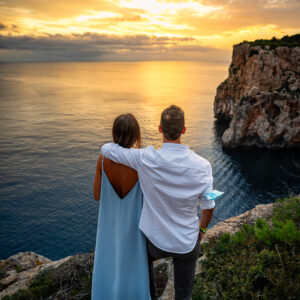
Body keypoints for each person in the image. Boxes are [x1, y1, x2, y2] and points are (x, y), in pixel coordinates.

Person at [101, 105, 215, 300]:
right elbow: (208, 206)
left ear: (160, 129)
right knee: (184, 295)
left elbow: (106, 149)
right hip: (187, 242)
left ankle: (150, 295)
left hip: (155, 241)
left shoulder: (145, 158)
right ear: (184, 130)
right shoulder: (203, 167)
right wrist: (201, 232)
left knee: (142, 267)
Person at [92, 113, 151, 300]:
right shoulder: (141, 164)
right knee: (133, 270)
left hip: (109, 228)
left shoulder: (103, 159)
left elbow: (96, 195)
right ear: (136, 135)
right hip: (134, 228)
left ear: (114, 134)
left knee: (108, 267)